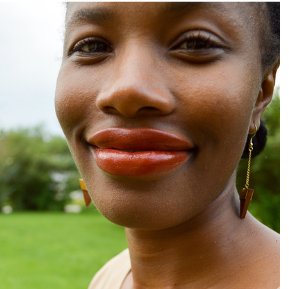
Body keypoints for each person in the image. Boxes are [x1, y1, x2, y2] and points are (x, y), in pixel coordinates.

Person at [55, 2, 280, 289]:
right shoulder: (110, 277)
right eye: (91, 46)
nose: (128, 90)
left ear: (262, 91)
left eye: (195, 42)